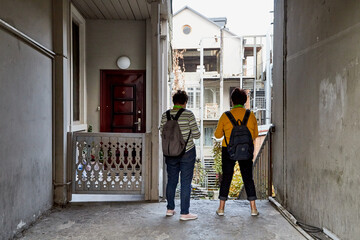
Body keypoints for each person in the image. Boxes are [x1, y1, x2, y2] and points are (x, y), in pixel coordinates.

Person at [214, 88, 259, 216]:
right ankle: (253, 209)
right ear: (244, 101)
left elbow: (217, 135)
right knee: (248, 178)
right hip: (246, 150)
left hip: (228, 150)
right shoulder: (251, 115)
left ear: (232, 101)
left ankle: (221, 208)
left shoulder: (225, 115)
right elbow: (255, 135)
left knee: (227, 177)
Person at [159, 90, 201, 221]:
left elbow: (162, 133)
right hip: (187, 152)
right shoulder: (188, 115)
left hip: (170, 153)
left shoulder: (165, 115)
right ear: (185, 102)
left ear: (174, 102)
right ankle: (184, 213)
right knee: (185, 182)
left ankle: (170, 209)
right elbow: (197, 135)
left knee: (171, 180)